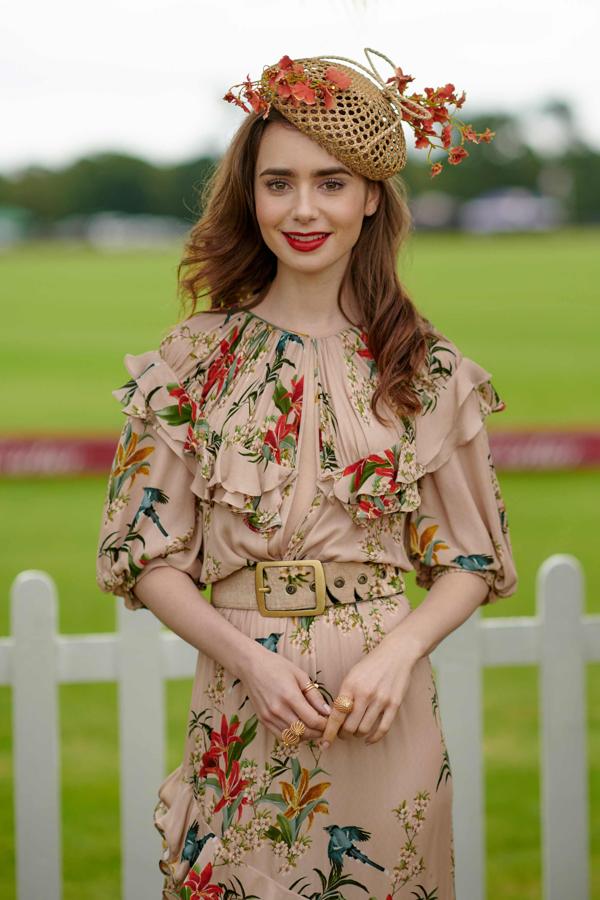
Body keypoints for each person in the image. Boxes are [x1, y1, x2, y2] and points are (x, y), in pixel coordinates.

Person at [95, 48, 517, 900]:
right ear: (250, 198)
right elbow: (146, 558)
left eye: (331, 182)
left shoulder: (427, 371)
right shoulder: (193, 364)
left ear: (370, 196)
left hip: (380, 718)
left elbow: (470, 561)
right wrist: (248, 659)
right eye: (278, 182)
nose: (303, 207)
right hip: (242, 706)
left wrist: (398, 652)